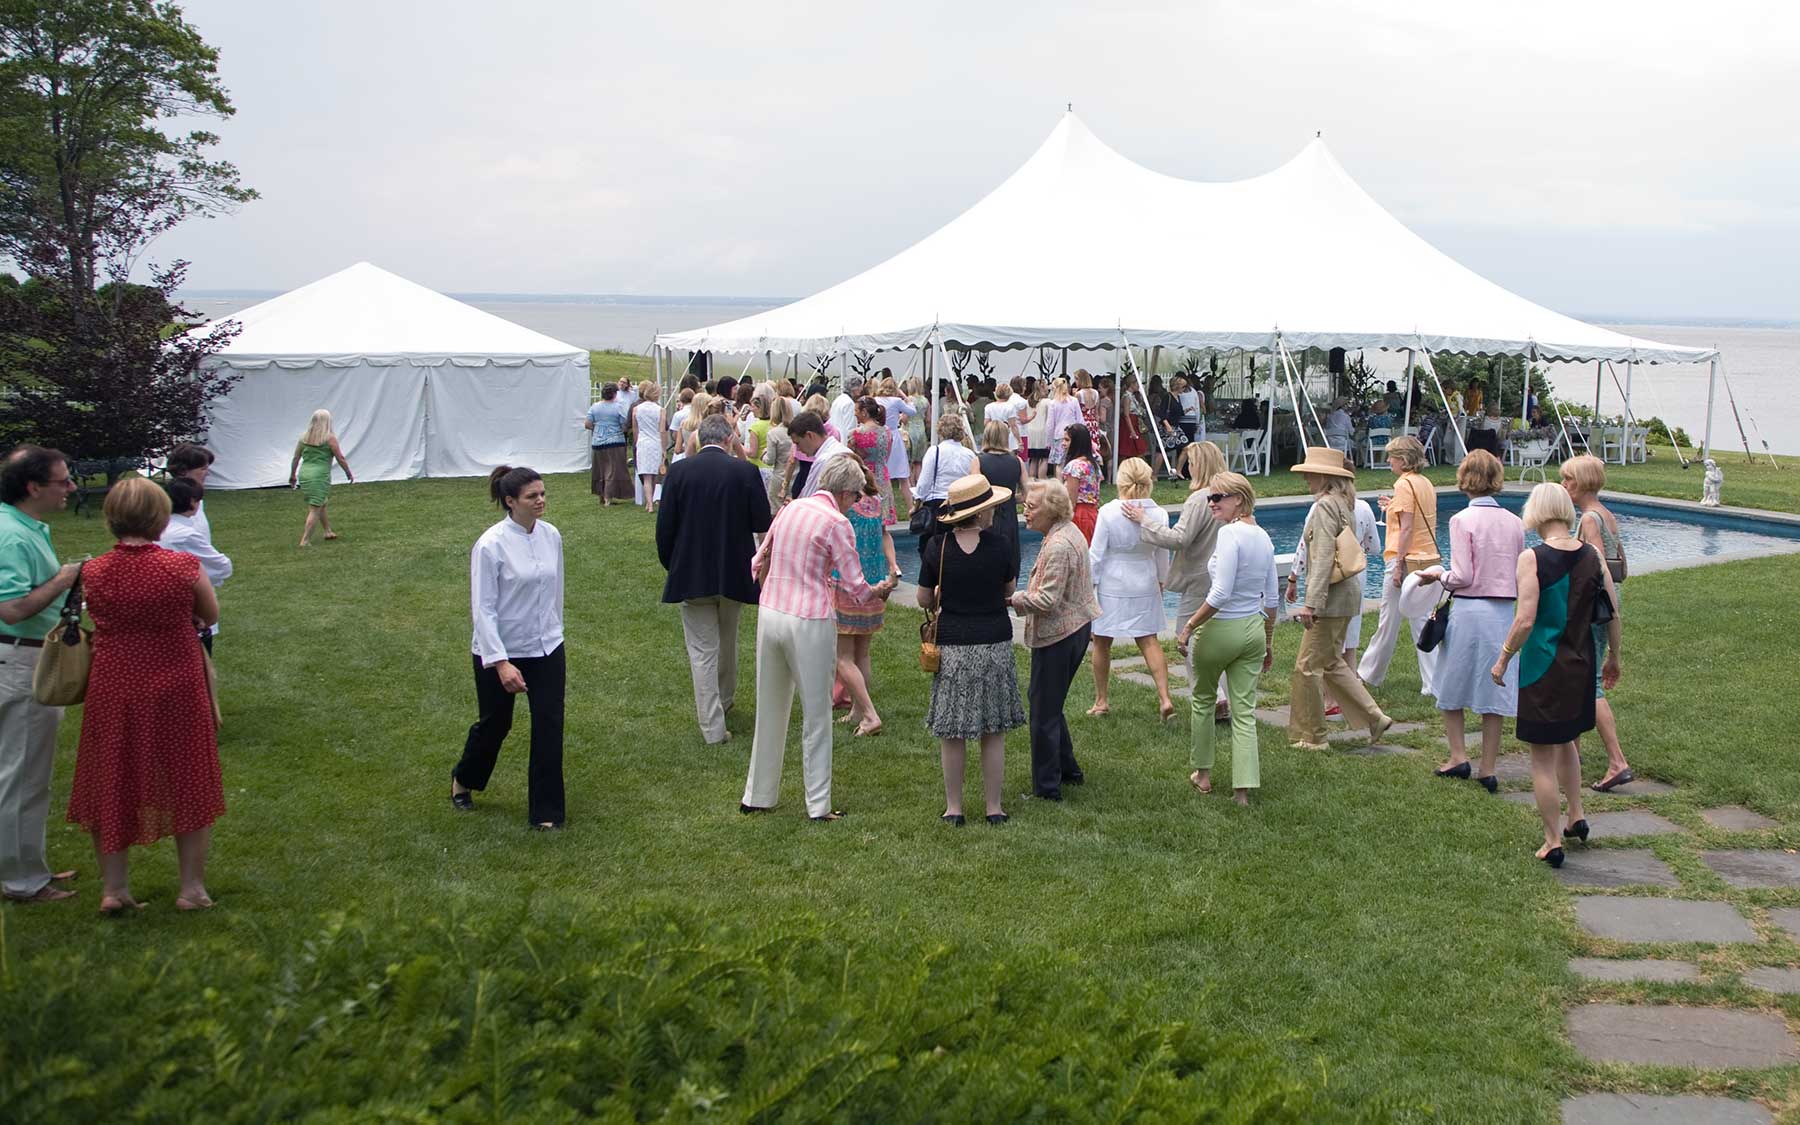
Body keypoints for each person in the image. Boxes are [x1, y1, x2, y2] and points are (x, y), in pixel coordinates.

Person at [66, 478, 222, 912]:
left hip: (114, 681)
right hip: (175, 679)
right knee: (188, 775)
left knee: (110, 774)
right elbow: (209, 613)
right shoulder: (182, 567)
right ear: (158, 518)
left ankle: (114, 889)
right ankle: (191, 888)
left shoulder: (92, 571)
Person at [741, 456, 897, 821]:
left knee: (770, 706)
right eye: (856, 495)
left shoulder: (791, 508)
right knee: (816, 715)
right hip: (809, 619)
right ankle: (818, 805)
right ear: (845, 492)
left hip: (771, 612)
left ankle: (757, 795)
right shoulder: (836, 522)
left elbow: (757, 560)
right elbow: (857, 586)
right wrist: (881, 590)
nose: (857, 502)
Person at [1491, 482, 1621, 867]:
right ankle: (1576, 814)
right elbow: (1612, 611)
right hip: (1581, 666)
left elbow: (1525, 619)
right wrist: (1614, 656)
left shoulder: (1532, 558)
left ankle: (1551, 840)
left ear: (1536, 512)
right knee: (1568, 742)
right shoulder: (1593, 556)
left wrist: (1502, 658)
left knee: (1542, 758)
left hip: (1542, 669)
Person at [451, 467, 566, 830]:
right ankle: (464, 778)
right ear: (510, 501)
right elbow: (482, 609)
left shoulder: (551, 536)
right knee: (496, 724)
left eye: (543, 493)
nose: (541, 501)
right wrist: (500, 663)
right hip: (500, 650)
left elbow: (555, 592)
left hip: (546, 648)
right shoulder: (490, 545)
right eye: (532, 496)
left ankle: (546, 812)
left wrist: (555, 633)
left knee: (549, 725)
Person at [656, 415, 773, 744]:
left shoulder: (678, 472)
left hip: (691, 572)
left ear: (698, 437)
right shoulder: (744, 471)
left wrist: (674, 565)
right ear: (729, 438)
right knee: (727, 641)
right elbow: (761, 521)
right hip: (734, 570)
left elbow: (665, 529)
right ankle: (721, 704)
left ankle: (714, 721)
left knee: (703, 651)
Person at [0, 446, 81, 904]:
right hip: (19, 661)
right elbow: (10, 609)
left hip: (18, 658)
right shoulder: (12, 536)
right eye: (62, 481)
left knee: (17, 769)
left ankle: (26, 865)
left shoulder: (19, 527)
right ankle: (22, 881)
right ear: (33, 487)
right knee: (24, 773)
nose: (71, 488)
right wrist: (65, 578)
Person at [918, 474, 1023, 826]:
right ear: (980, 514)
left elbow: (922, 598)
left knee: (953, 730)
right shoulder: (1001, 545)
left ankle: (954, 808)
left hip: (953, 643)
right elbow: (1008, 588)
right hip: (993, 638)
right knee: (993, 729)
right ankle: (994, 807)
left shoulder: (937, 548)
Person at [1415, 449, 1523, 788]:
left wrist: (1438, 575)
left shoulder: (1462, 520)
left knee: (1453, 681)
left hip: (1471, 607)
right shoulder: (1515, 522)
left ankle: (1458, 756)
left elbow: (1462, 575)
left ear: (1465, 478)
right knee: (1494, 689)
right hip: (1504, 612)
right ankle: (1488, 767)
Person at [1175, 472, 1279, 807]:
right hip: (1253, 629)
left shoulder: (1230, 534)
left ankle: (1203, 776)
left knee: (1204, 700)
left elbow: (1220, 593)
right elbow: (1272, 599)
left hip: (1222, 629)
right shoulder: (1262, 536)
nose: (1211, 503)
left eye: (1218, 497)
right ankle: (1243, 791)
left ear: (1238, 499)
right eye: (1210, 498)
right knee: (1245, 710)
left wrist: (1189, 626)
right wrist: (1268, 640)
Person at [1286, 448, 1394, 751]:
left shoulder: (1324, 507)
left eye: (1310, 472)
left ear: (1325, 476)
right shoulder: (1343, 504)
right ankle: (1374, 717)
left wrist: (1311, 603)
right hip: (1347, 594)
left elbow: (1320, 558)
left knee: (1307, 666)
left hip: (1330, 599)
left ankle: (1315, 736)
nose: (1306, 477)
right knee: (1332, 662)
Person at [1126, 440, 1230, 721]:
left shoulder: (1200, 499)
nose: (1188, 468)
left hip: (1199, 577)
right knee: (1217, 641)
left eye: (1191, 463)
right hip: (1223, 575)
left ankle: (1212, 698)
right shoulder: (1230, 494)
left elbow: (1179, 538)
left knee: (1187, 636)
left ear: (1201, 465)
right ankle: (1223, 696)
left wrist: (1144, 520)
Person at [1011, 480, 1101, 802]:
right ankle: (1068, 770)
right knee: (1050, 704)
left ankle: (1047, 789)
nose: (1025, 510)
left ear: (1051, 509)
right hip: (1073, 630)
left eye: (1032, 506)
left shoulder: (1060, 544)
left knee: (1043, 711)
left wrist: (1012, 599)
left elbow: (1047, 599)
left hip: (1060, 635)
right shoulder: (1066, 532)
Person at [1561, 454, 1634, 792]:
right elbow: (1622, 567)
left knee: (1589, 682)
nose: (1564, 486)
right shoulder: (1607, 515)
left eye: (1568, 480)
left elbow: (1598, 568)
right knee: (1581, 680)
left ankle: (1617, 760)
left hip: (1592, 610)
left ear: (1583, 483)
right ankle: (1571, 750)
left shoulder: (1589, 519)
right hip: (1607, 607)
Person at [1087, 458, 1174, 720]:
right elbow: (1162, 553)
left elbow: (1096, 554)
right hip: (1145, 578)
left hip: (1113, 582)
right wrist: (1161, 580)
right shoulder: (1159, 513)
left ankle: (1101, 701)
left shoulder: (1109, 512)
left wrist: (1089, 585)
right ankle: (1165, 698)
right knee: (1149, 640)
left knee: (1102, 642)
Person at [1357, 434, 1440, 693]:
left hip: (1404, 558)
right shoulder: (1424, 482)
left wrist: (1398, 566)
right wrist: (1392, 506)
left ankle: (1369, 673)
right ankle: (1434, 680)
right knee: (1421, 619)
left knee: (1389, 619)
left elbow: (1405, 530)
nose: (1388, 460)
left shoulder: (1404, 484)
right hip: (1426, 557)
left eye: (1392, 456)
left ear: (1403, 460)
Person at [833, 454, 898, 737]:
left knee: (843, 656)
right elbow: (885, 535)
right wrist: (893, 566)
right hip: (874, 583)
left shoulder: (845, 508)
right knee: (863, 652)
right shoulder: (875, 502)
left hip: (848, 585)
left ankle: (868, 713)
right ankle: (858, 709)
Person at [158, 477, 232, 654]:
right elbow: (222, 566)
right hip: (188, 603)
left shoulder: (159, 528)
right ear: (192, 502)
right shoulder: (185, 535)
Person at [911, 413, 978, 554]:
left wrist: (916, 506)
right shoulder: (969, 454)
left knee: (931, 549)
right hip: (960, 505)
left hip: (937, 504)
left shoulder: (934, 451)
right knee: (957, 548)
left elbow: (924, 483)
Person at [288, 409, 354, 547]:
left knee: (321, 502)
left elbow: (296, 458)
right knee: (315, 508)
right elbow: (340, 457)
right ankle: (305, 541)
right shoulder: (329, 438)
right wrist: (348, 472)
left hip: (305, 474)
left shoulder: (304, 437)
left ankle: (327, 531)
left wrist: (293, 475)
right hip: (319, 476)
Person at [977, 420, 1024, 580]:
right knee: (1009, 561)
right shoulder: (1017, 461)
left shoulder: (978, 461)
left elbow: (974, 492)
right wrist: (1011, 498)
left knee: (985, 562)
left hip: (985, 517)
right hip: (1009, 517)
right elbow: (1027, 494)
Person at [849, 397, 896, 524]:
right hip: (883, 476)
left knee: (862, 521)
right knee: (883, 526)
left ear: (864, 412)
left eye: (856, 410)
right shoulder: (887, 431)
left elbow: (851, 458)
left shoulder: (855, 433)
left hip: (863, 478)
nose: (854, 413)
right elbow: (887, 455)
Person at [875, 375, 915, 518]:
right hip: (894, 436)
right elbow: (912, 411)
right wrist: (905, 397)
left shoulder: (875, 400)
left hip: (879, 435)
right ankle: (911, 508)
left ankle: (887, 511)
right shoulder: (896, 401)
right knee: (903, 476)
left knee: (883, 474)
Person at [586, 383, 632, 506]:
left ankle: (600, 495)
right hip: (614, 442)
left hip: (597, 442)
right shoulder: (618, 407)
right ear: (614, 394)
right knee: (612, 470)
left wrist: (597, 427)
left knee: (599, 470)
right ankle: (608, 497)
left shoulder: (595, 407)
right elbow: (623, 424)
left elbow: (587, 424)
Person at [790, 410, 852, 500]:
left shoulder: (823, 461)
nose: (798, 449)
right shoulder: (844, 451)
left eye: (798, 443)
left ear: (809, 435)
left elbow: (809, 499)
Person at [1059, 423, 1101, 542]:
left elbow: (1071, 500)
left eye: (1067, 440)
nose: (1063, 443)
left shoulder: (1074, 466)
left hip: (1078, 515)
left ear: (1076, 442)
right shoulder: (1093, 465)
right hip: (1092, 513)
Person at [630, 382, 666, 514]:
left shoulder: (636, 409)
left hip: (643, 442)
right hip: (655, 442)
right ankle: (653, 501)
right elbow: (662, 430)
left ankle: (649, 503)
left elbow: (635, 428)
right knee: (656, 474)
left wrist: (636, 441)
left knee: (646, 476)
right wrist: (664, 447)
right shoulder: (660, 410)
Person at [762, 396, 795, 513]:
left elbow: (770, 460)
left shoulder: (773, 434)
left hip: (779, 476)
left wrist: (763, 455)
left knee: (776, 512)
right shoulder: (796, 431)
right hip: (795, 476)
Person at [1043, 377, 1084, 470]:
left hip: (1059, 435)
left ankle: (1060, 483)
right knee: (1073, 461)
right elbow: (1080, 419)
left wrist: (1048, 441)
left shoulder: (1053, 403)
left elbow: (1050, 424)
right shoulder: (1074, 401)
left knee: (1059, 463)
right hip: (1073, 434)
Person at [904, 376, 930, 486]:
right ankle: (918, 483)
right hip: (921, 430)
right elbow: (928, 419)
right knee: (919, 461)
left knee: (909, 461)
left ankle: (910, 484)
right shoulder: (925, 401)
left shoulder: (909, 400)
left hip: (910, 430)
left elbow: (905, 418)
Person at [829, 373, 865, 439]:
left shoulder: (838, 399)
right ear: (854, 388)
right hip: (843, 441)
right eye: (860, 386)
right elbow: (850, 428)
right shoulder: (849, 403)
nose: (862, 389)